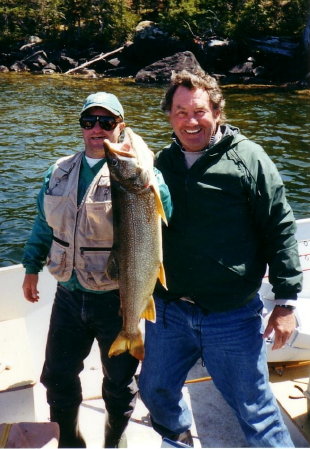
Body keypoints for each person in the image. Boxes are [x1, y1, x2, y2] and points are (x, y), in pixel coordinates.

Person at [139, 70, 303, 448]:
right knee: (155, 388)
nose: (189, 121)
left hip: (231, 314)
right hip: (169, 311)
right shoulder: (161, 163)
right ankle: (176, 436)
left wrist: (285, 302)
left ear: (216, 112)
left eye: (198, 111)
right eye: (180, 112)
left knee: (256, 412)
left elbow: (279, 228)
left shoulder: (249, 159)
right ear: (169, 116)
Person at [22, 91, 171, 448]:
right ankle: (69, 440)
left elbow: (166, 214)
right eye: (89, 122)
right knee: (57, 378)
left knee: (118, 383)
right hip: (68, 297)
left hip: (116, 298)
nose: (97, 129)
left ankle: (113, 442)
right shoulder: (57, 172)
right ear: (81, 128)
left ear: (121, 127)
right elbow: (44, 225)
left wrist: (155, 183)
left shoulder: (139, 172)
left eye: (107, 122)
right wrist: (30, 266)